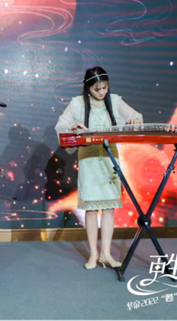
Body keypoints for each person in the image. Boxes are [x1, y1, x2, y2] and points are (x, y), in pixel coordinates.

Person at [54, 66, 142, 269]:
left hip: (110, 160)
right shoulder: (77, 104)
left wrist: (134, 119)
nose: (102, 92)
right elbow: (61, 126)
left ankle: (106, 253)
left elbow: (134, 115)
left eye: (105, 87)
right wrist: (72, 127)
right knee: (92, 210)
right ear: (88, 87)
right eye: (97, 89)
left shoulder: (115, 101)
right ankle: (93, 254)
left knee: (109, 208)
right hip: (89, 160)